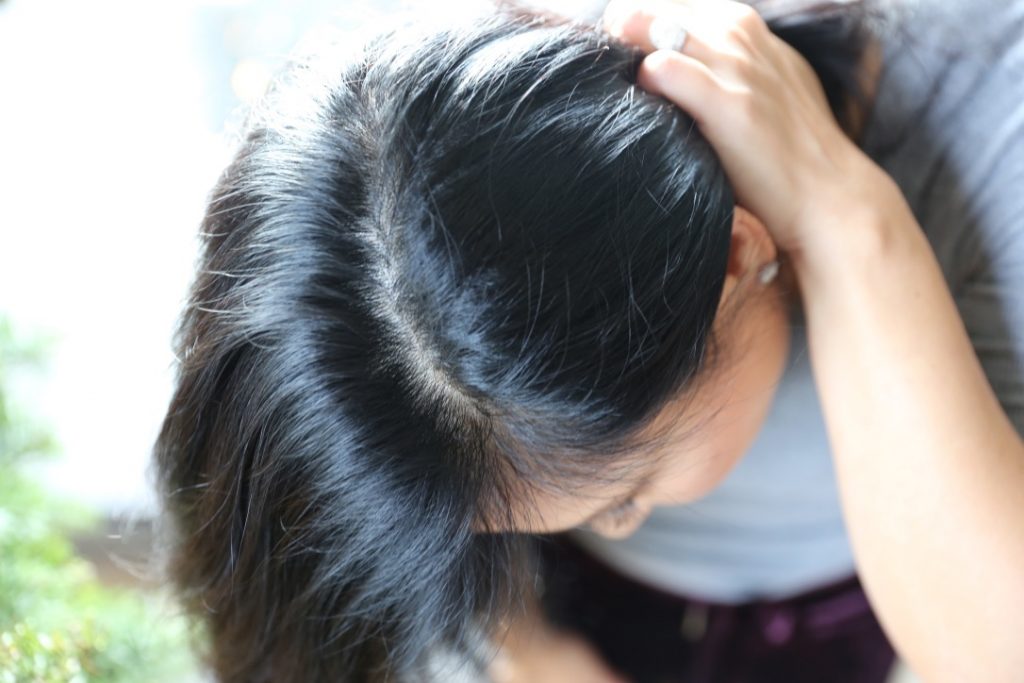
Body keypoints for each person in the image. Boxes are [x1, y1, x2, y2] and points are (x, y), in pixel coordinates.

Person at [152, 0, 1024, 681]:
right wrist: (520, 645)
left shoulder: (994, 136)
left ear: (737, 254)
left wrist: (844, 217)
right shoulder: (428, 115)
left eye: (625, 494)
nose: (628, 519)